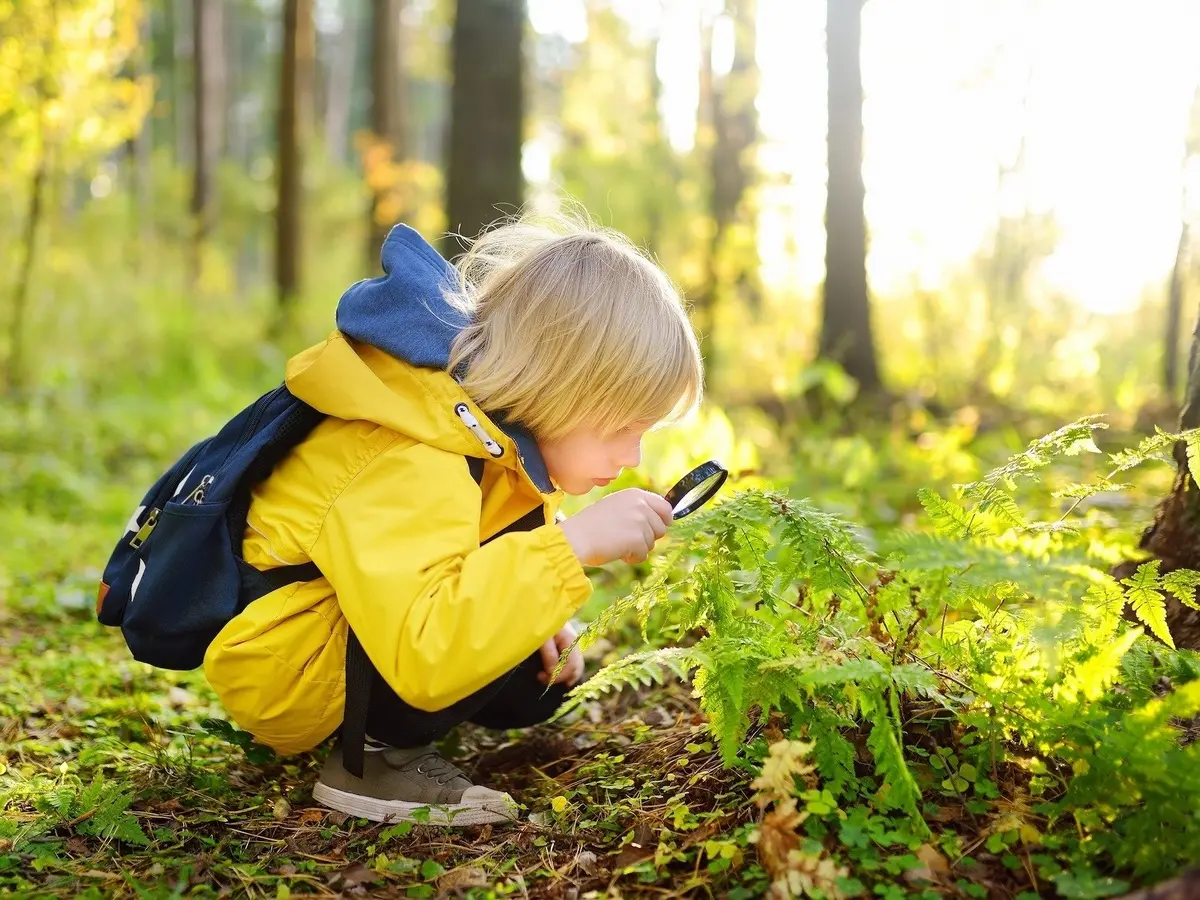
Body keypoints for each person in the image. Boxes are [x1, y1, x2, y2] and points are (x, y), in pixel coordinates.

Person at [201, 213, 704, 826]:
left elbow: (469, 557)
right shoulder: (415, 452)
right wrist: (568, 549)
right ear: (558, 385)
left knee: (533, 679)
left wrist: (538, 609)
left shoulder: (495, 443)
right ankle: (372, 761)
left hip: (370, 628)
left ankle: (392, 731)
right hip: (288, 667)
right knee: (488, 640)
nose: (632, 458)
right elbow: (424, 642)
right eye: (622, 427)